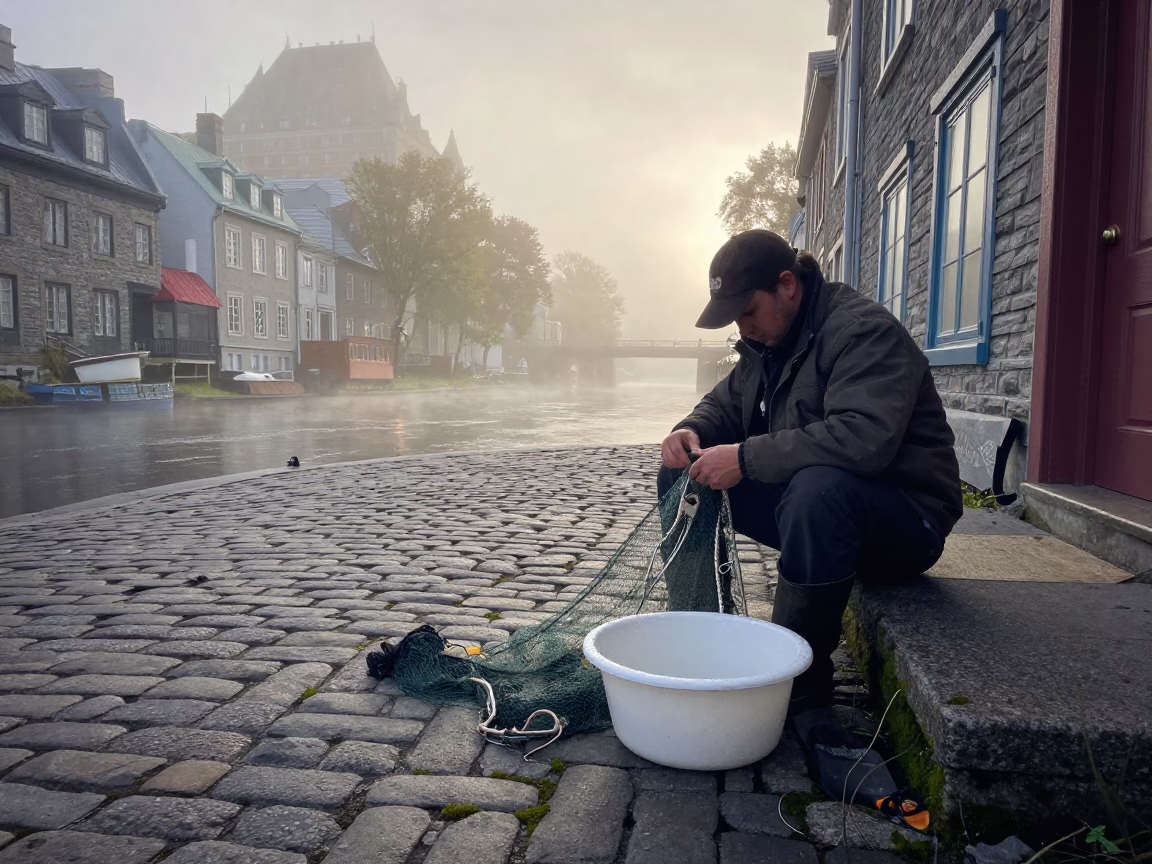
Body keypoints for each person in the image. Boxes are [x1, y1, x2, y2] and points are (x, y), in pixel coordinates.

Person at [660, 229, 962, 715]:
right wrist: (689, 431)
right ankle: (697, 637)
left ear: (787, 284)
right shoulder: (768, 343)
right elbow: (723, 404)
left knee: (818, 488)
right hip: (822, 519)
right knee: (683, 473)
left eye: (748, 311)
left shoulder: (862, 331)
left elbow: (863, 440)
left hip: (907, 523)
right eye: (735, 318)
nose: (742, 328)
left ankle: (797, 682)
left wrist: (744, 458)